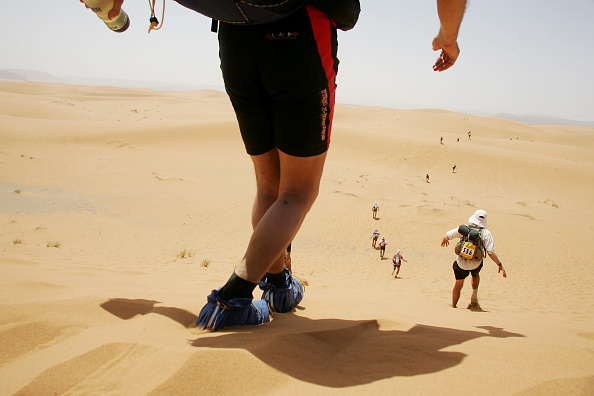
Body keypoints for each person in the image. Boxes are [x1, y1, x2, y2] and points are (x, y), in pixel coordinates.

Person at [96, 0, 469, 331]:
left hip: (235, 39)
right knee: (297, 192)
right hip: (299, 32)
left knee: (268, 188)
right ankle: (233, 298)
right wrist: (448, 35)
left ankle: (277, 287)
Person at [440, 210, 507, 310]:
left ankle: (453, 306)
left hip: (460, 263)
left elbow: (448, 236)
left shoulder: (464, 229)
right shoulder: (485, 233)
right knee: (475, 275)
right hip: (476, 263)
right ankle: (474, 296)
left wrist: (445, 239)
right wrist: (499, 264)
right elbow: (490, 252)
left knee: (458, 284)